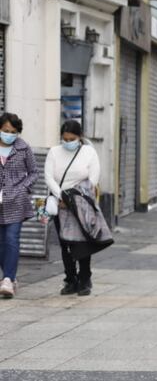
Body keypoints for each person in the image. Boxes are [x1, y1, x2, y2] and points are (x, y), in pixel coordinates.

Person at [45, 121, 101, 296]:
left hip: (81, 203)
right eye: (65, 139)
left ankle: (85, 279)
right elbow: (48, 177)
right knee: (65, 244)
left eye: (72, 139)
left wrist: (73, 198)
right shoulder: (54, 152)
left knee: (82, 242)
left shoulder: (89, 152)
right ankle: (70, 279)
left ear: (80, 137)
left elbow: (93, 179)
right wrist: (61, 196)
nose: (68, 141)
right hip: (60, 204)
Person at [0, 113, 38, 299]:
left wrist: (22, 189)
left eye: (13, 132)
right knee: (1, 244)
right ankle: (11, 277)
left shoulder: (23, 149)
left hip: (16, 202)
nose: (8, 134)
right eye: (5, 131)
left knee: (11, 239)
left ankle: (7, 279)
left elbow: (33, 173)